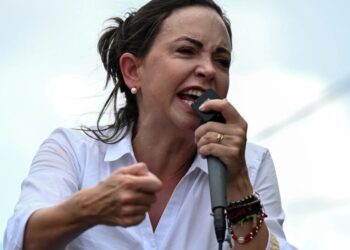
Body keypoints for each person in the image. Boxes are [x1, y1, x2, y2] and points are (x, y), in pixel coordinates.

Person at [4, 0, 297, 249]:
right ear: (132, 71)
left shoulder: (251, 165)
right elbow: (19, 239)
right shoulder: (73, 152)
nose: (208, 70)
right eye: (186, 50)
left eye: (222, 61)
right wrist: (89, 208)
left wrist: (238, 184)